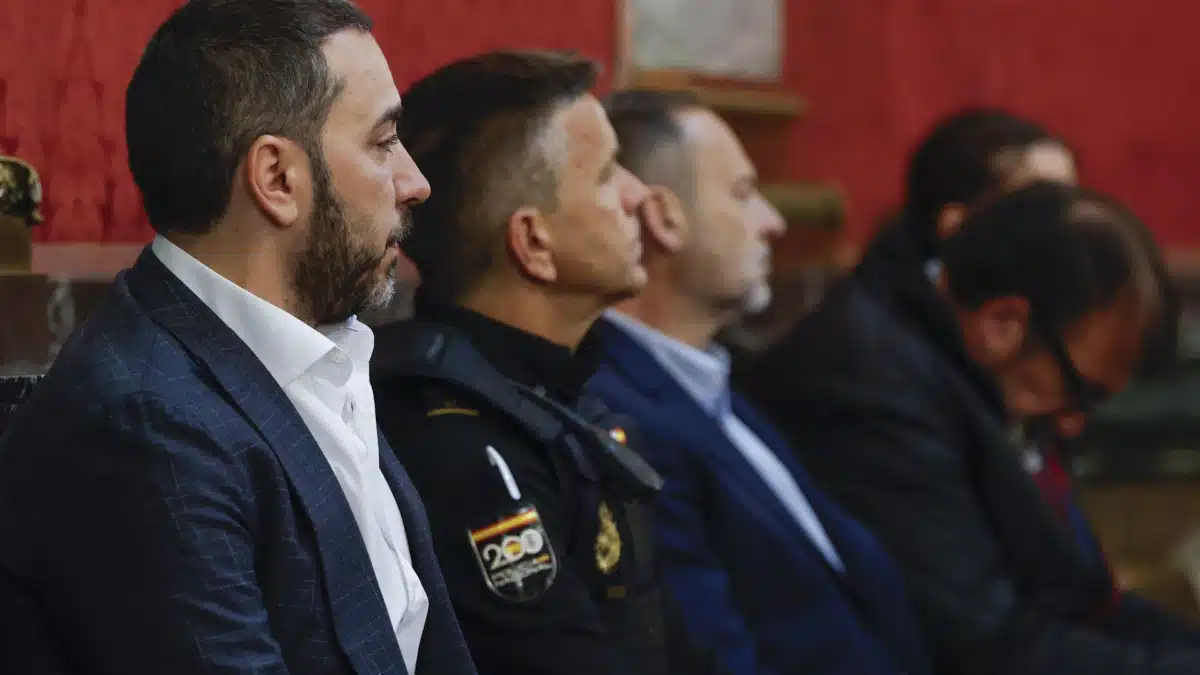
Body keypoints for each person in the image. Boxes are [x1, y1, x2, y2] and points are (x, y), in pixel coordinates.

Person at [0, 2, 476, 673]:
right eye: (383, 142)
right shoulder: (145, 426)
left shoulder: (319, 353)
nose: (414, 183)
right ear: (277, 178)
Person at [741, 108, 1192, 659]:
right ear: (1003, 323)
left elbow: (1084, 594)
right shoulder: (869, 387)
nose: (1076, 421)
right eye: (1082, 392)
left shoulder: (990, 356)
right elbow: (984, 646)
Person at [370, 51, 724, 675]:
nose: (639, 194)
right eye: (608, 173)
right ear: (534, 243)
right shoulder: (461, 450)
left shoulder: (559, 393)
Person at [582, 90, 932, 675]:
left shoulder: (719, 384)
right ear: (663, 217)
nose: (774, 222)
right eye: (744, 194)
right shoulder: (621, 416)